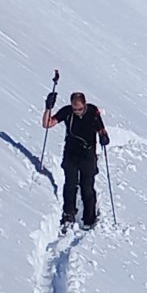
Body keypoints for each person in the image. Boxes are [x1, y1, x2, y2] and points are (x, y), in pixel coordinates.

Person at [42, 86, 110, 230]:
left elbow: (101, 129)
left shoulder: (92, 112)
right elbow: (47, 124)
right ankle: (68, 214)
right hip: (71, 153)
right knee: (70, 184)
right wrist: (48, 108)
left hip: (88, 154)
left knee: (87, 187)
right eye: (74, 108)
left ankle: (89, 219)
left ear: (84, 104)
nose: (77, 111)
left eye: (79, 109)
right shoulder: (67, 112)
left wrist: (104, 137)